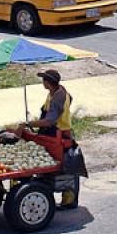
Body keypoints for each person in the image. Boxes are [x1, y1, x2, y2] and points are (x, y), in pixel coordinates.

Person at [16, 70, 78, 210]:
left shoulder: (59, 97)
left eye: (44, 80)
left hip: (60, 136)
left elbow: (49, 121)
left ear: (48, 82)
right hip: (52, 134)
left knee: (65, 168)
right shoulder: (56, 92)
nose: (42, 82)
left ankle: (69, 201)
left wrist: (29, 124)